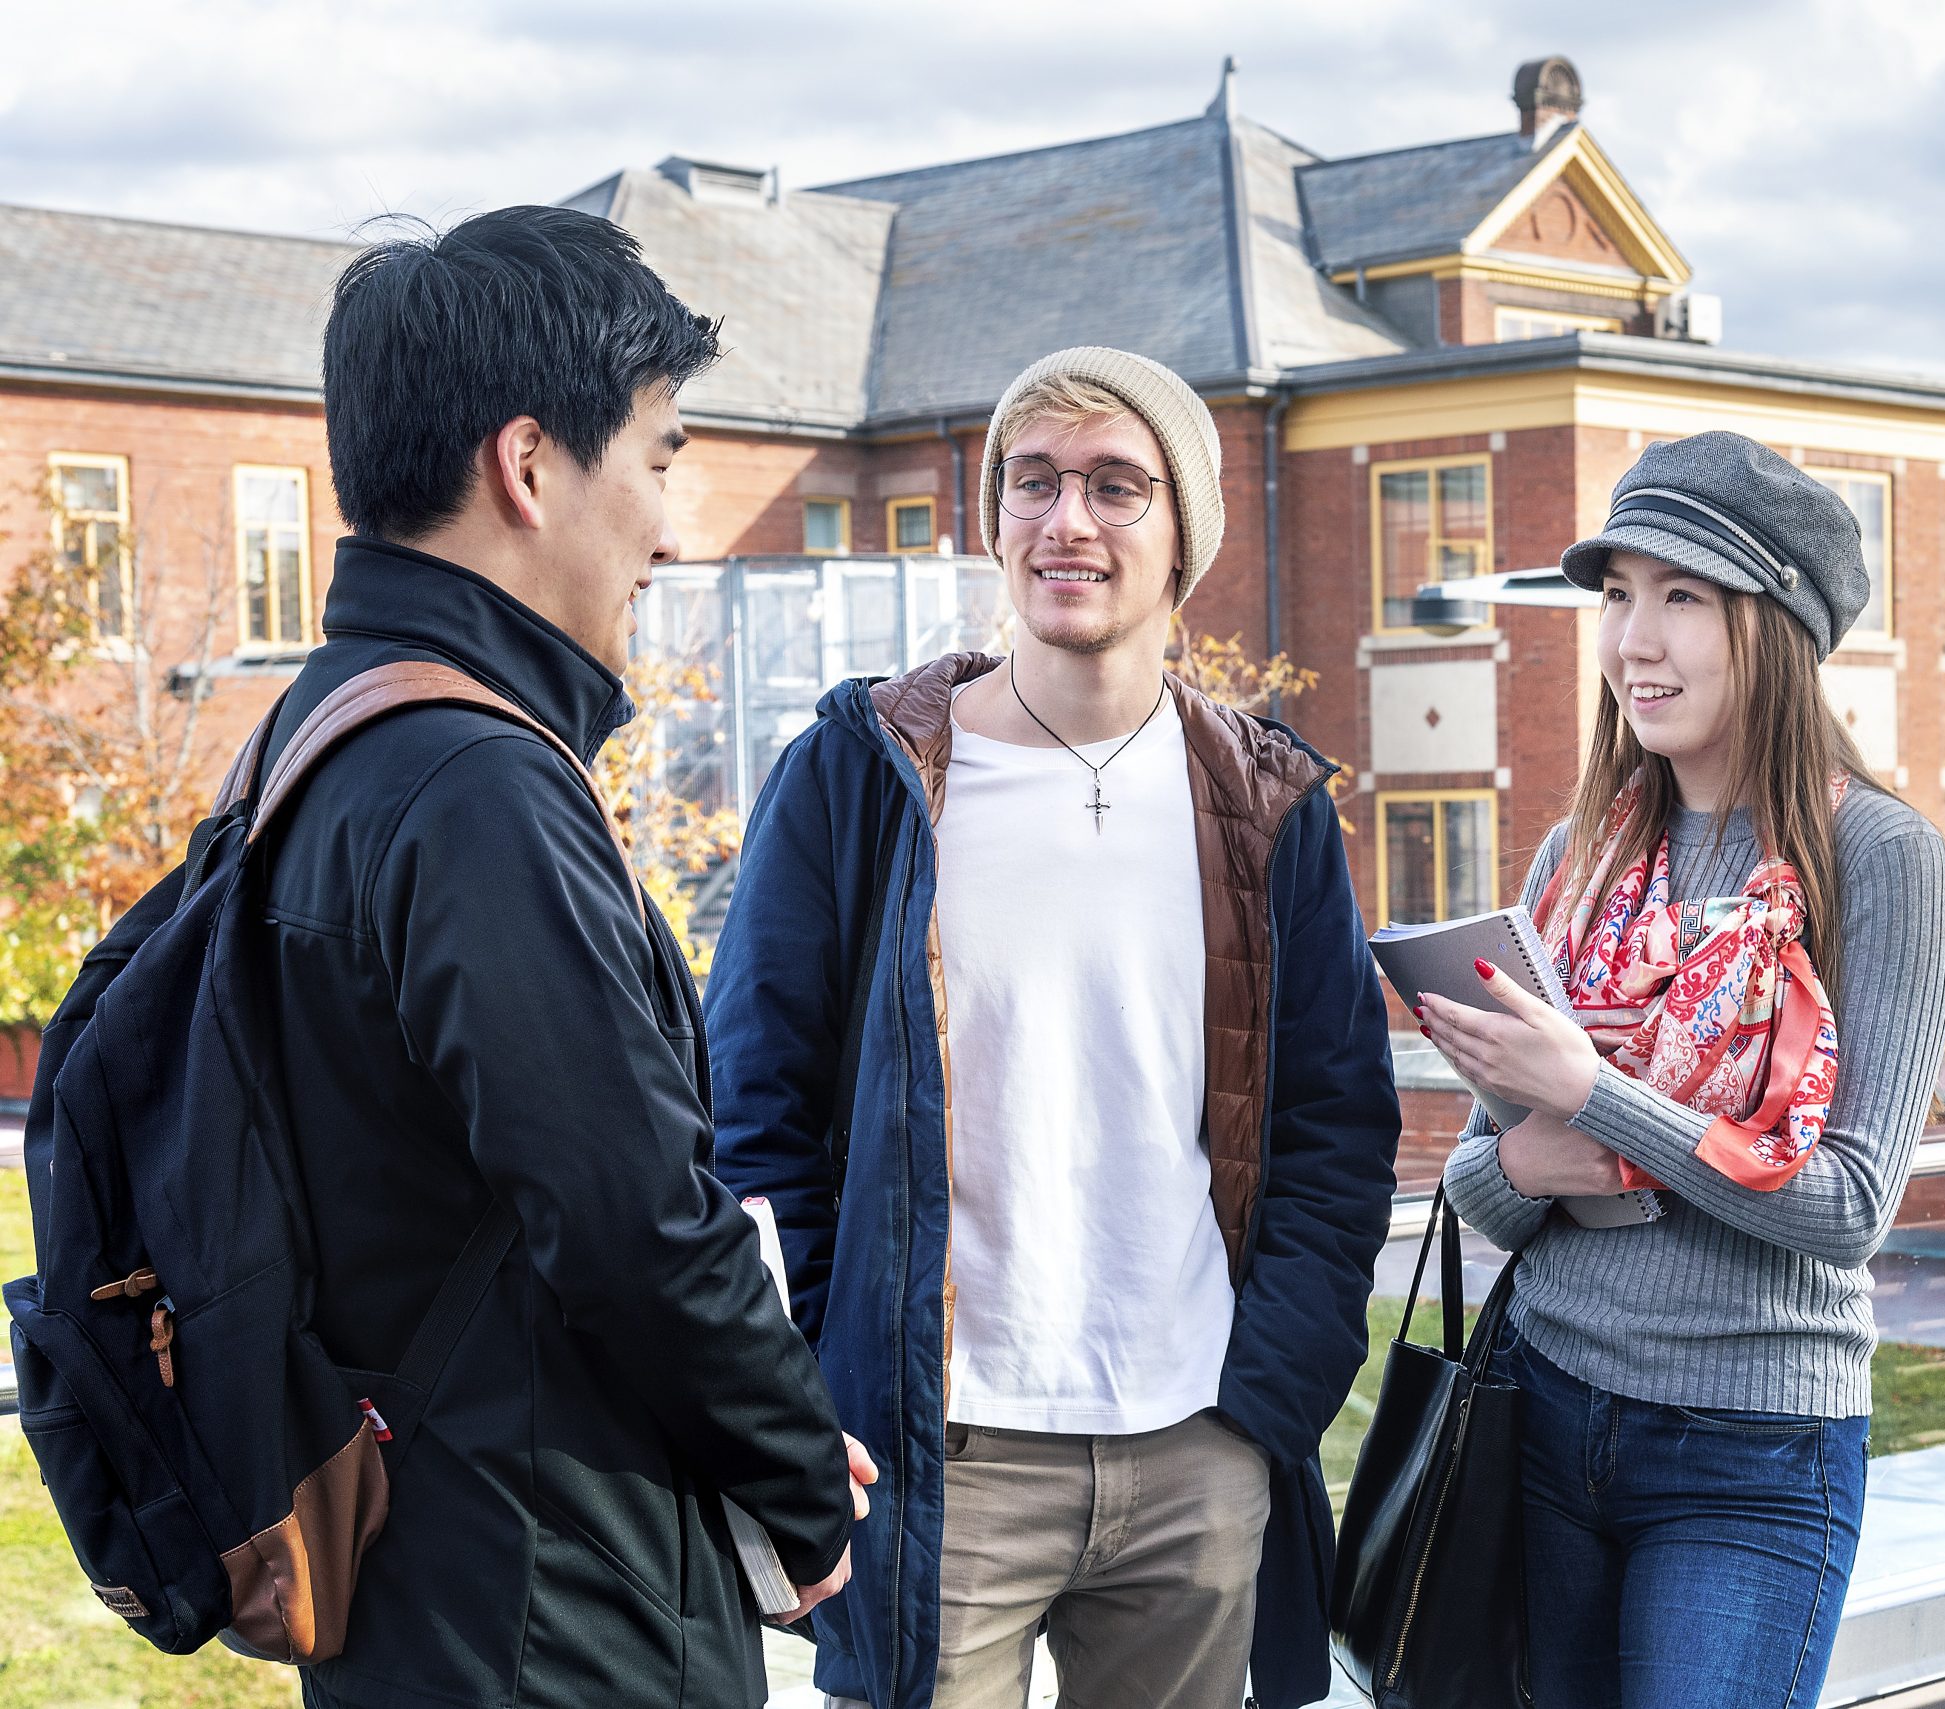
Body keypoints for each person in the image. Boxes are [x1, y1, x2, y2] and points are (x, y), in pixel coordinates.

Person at [708, 346, 1402, 1709]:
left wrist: (1263, 1402)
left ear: (1183, 533)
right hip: (936, 1453)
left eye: (1114, 487)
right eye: (1033, 483)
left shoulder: (1269, 810)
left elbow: (1335, 1131)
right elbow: (755, 1111)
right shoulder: (864, 775)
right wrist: (821, 1378)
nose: (1065, 522)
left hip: (1196, 1445)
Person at [259, 206, 864, 1708]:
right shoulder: (476, 789)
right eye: (659, 457)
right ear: (529, 468)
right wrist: (799, 1480)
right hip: (545, 1599)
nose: (675, 524)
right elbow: (631, 1219)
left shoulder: (325, 734)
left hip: (432, 1561)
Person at [1424, 432, 1945, 1709]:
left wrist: (1593, 1098)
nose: (1632, 641)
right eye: (1616, 593)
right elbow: (1475, 1183)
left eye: (1683, 597)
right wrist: (1526, 1152)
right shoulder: (1580, 855)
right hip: (1548, 1413)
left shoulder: (1877, 860)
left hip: (1753, 1457)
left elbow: (1845, 1208)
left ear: (1772, 627)